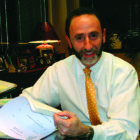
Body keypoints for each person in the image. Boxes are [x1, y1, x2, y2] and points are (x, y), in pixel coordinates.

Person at [21, 7, 140, 140]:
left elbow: (126, 131)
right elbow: (28, 101)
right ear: (69, 41)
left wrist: (86, 131)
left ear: (104, 36)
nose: (88, 46)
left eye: (93, 36)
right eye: (79, 38)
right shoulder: (59, 70)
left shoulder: (124, 73)